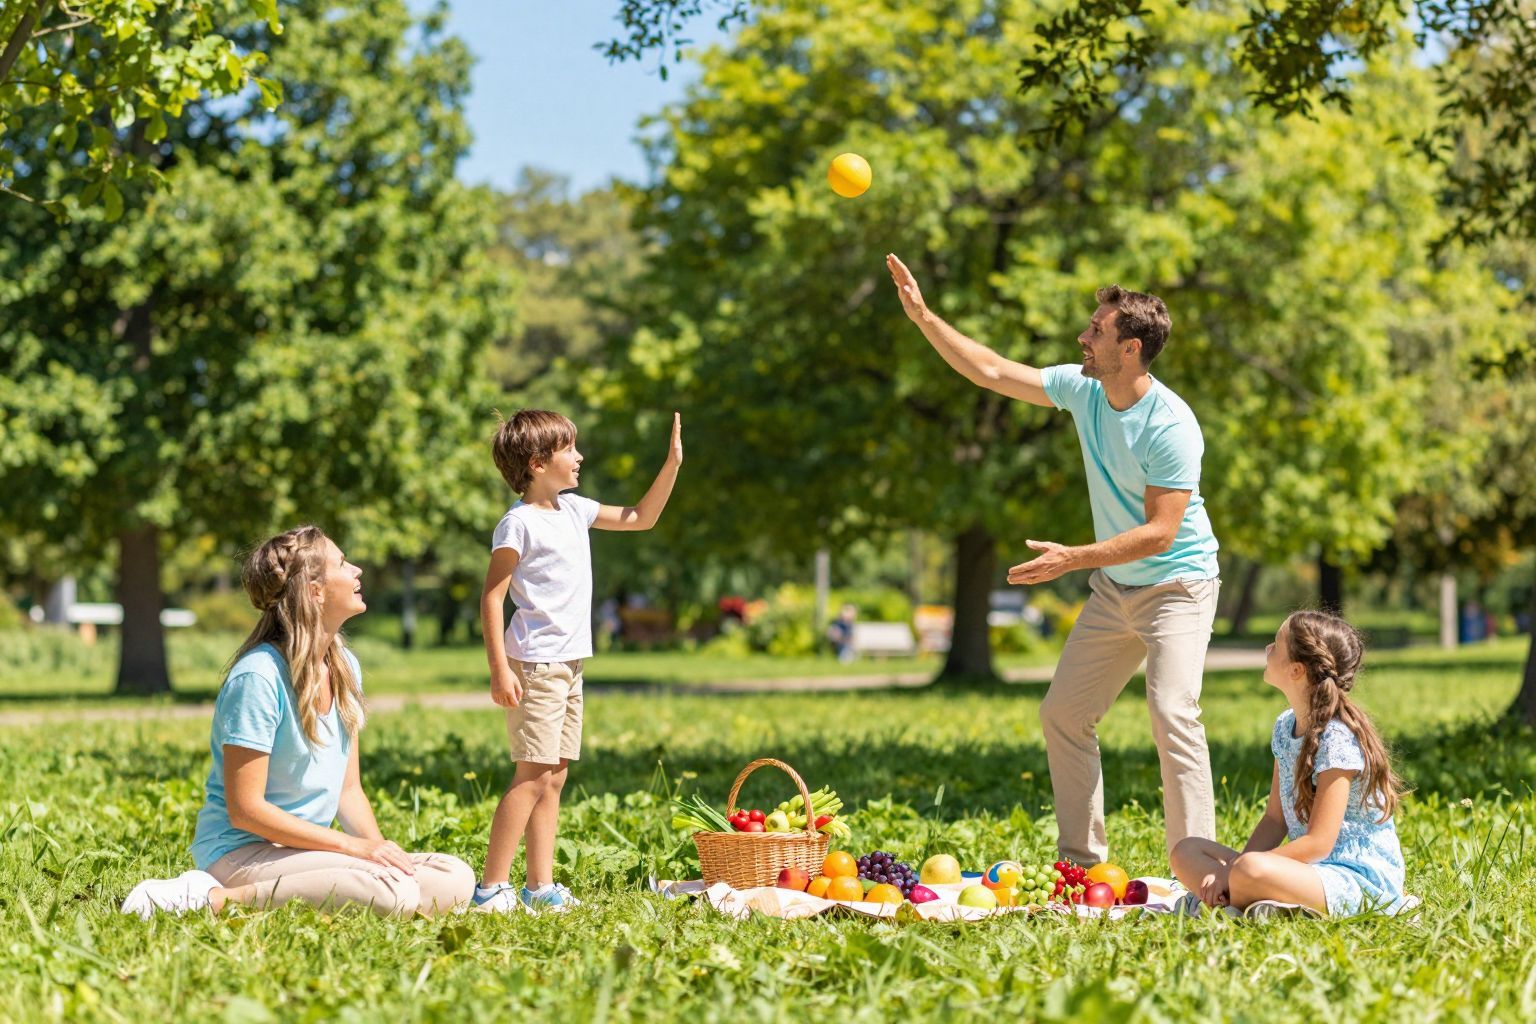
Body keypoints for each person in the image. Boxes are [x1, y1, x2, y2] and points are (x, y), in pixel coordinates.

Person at [886, 253, 1221, 866]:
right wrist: (924, 317)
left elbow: (1160, 533)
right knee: (1064, 714)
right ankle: (1081, 865)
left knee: (1173, 713)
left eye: (1097, 330)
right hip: (1116, 589)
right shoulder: (1083, 389)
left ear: (1130, 348)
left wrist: (1073, 558)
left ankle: (1202, 870)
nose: (1082, 337)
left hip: (1178, 586)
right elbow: (990, 370)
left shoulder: (1170, 425)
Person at [122, 526, 475, 919]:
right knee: (392, 892)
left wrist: (383, 855)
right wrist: (355, 850)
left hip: (306, 850)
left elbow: (348, 791)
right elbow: (246, 810)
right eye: (343, 563)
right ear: (315, 591)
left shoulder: (345, 667)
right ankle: (209, 898)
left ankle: (379, 890)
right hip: (241, 854)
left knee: (455, 877)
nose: (356, 571)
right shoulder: (258, 677)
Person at [472, 409, 682, 913]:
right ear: (537, 463)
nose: (579, 456)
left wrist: (672, 464)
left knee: (554, 776)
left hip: (570, 664)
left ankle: (539, 887)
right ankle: (490, 889)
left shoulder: (574, 510)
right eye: (569, 449)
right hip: (536, 665)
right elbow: (492, 598)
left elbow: (642, 517)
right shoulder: (518, 524)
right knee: (531, 776)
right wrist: (499, 669)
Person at [1171, 610, 1407, 915]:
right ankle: (1244, 896)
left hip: (1353, 879)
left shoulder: (1337, 739)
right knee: (1185, 850)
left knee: (1249, 870)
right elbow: (1274, 820)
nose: (1268, 649)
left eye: (1276, 645)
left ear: (1296, 670)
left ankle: (1232, 898)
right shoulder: (1286, 727)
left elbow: (1319, 843)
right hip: (1303, 870)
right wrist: (1236, 868)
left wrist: (1237, 870)